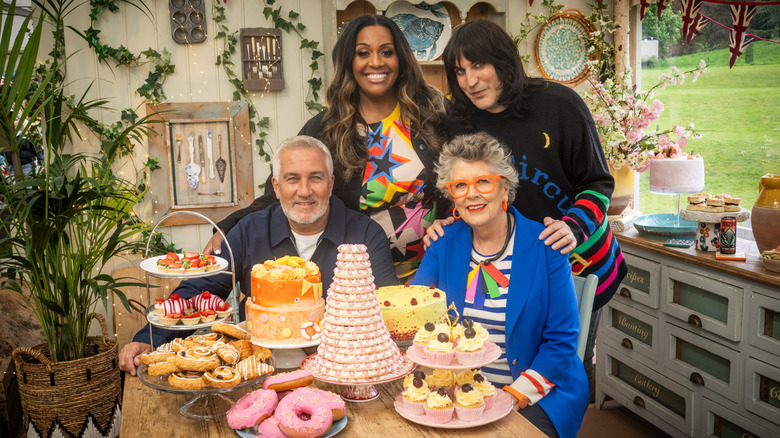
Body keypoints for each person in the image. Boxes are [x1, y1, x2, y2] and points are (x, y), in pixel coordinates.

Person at [425, 19, 627, 399]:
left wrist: (573, 228)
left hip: (576, 259)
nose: (470, 81)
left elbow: (598, 183)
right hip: (507, 263)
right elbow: (460, 186)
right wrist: (442, 223)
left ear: (504, 62)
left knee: (563, 365)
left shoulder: (560, 106)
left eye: (479, 65)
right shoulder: (460, 119)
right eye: (460, 71)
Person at [119, 135, 396, 376]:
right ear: (276, 187)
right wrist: (150, 338)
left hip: (346, 368)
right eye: (292, 179)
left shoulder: (366, 235)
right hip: (259, 368)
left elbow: (387, 309)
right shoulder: (249, 230)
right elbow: (200, 291)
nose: (304, 191)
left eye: (316, 177)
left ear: (331, 183)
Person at [204, 15, 447, 281]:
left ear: (401, 59)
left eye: (386, 52)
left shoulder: (432, 117)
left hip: (431, 272)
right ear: (348, 63)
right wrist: (229, 226)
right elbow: (279, 193)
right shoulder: (325, 128)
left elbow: (462, 178)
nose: (376, 62)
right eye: (363, 53)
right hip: (357, 282)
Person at [413, 133, 588, 438]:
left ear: (505, 186)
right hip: (459, 393)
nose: (472, 194)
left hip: (535, 393)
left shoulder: (546, 245)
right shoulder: (442, 244)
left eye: (484, 182)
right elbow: (417, 317)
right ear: (451, 195)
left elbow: (561, 341)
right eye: (460, 186)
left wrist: (511, 396)